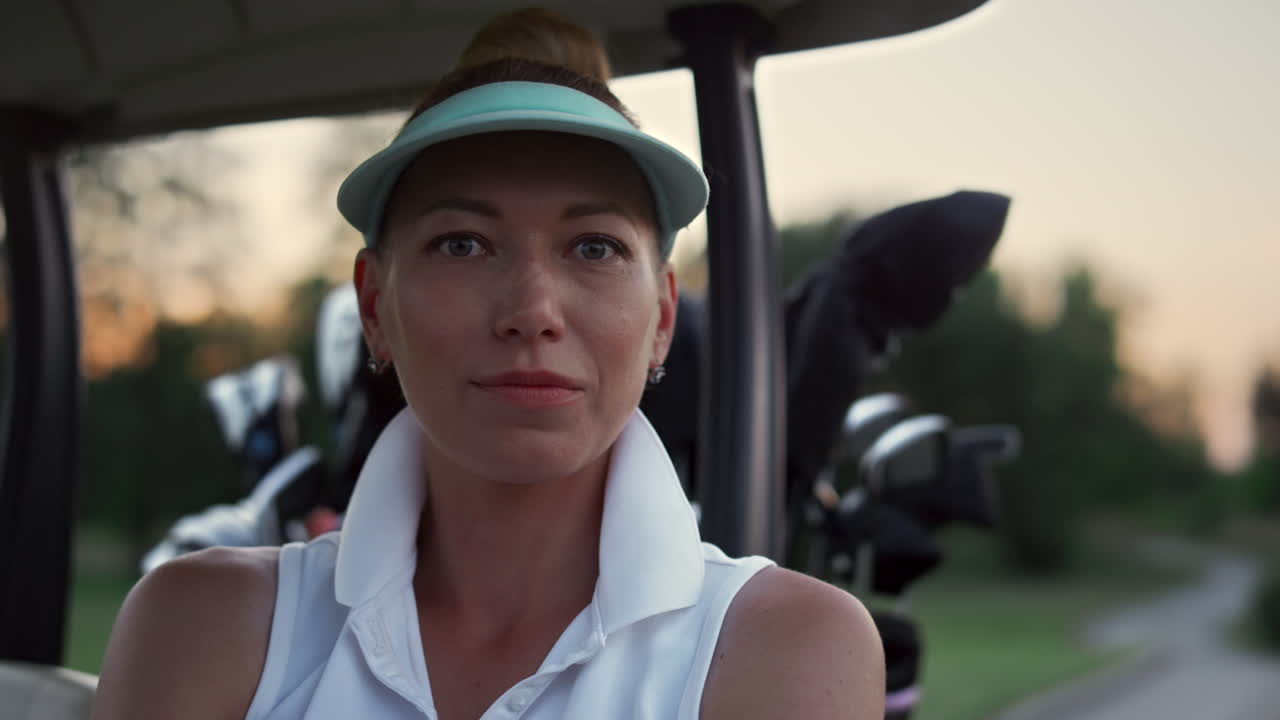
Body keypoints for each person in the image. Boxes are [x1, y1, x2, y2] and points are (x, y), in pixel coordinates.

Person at [92, 9, 884, 720]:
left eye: (595, 247)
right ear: (375, 308)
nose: (532, 310)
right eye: (462, 244)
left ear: (662, 319)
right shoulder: (202, 624)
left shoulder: (788, 646)